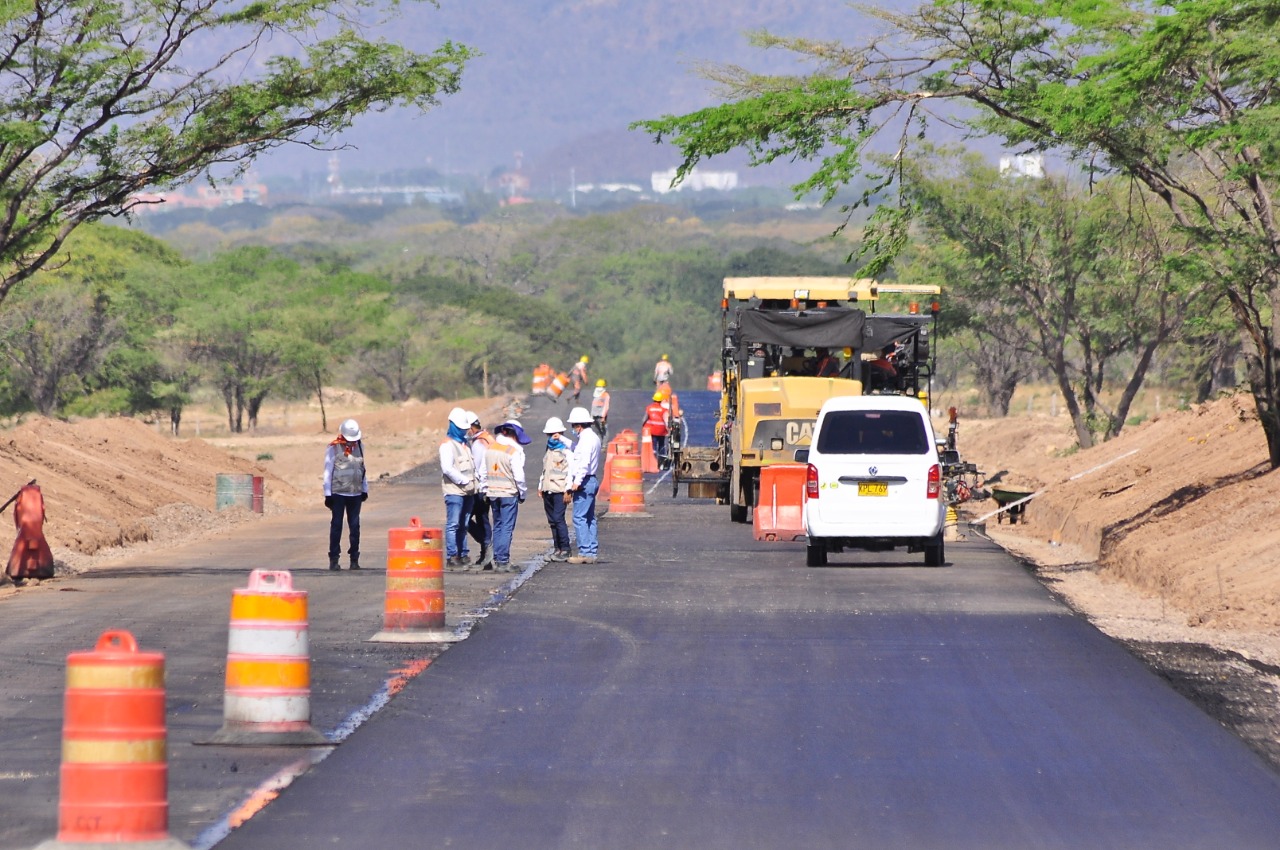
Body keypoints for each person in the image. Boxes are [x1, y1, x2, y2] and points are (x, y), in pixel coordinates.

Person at [324, 418, 368, 571]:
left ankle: (354, 559)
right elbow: (328, 471)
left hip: (355, 494)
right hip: (338, 494)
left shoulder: (360, 447)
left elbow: (362, 469)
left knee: (355, 527)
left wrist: (364, 489)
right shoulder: (333, 448)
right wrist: (327, 494)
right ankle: (334, 559)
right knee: (336, 526)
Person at [486, 419, 530, 572]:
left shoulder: (490, 449)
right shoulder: (513, 452)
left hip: (492, 493)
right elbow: (519, 476)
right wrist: (522, 493)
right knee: (506, 527)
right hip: (508, 493)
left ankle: (498, 559)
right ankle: (503, 561)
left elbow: (483, 472)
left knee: (497, 526)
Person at [440, 407, 480, 570]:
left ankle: (463, 554)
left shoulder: (465, 444)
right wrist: (464, 481)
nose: (465, 431)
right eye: (461, 428)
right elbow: (447, 468)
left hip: (469, 492)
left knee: (464, 524)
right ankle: (452, 556)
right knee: (453, 524)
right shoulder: (447, 445)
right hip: (454, 491)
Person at [565, 406, 601, 564]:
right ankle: (591, 551)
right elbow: (576, 449)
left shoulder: (586, 440)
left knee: (579, 517)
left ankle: (584, 552)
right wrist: (562, 439)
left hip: (584, 481)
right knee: (589, 517)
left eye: (573, 426)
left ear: (578, 425)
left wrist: (576, 483)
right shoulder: (592, 438)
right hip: (591, 480)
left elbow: (583, 463)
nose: (573, 429)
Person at [537, 416, 573, 561]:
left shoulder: (567, 450)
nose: (552, 437)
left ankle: (565, 549)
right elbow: (545, 469)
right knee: (552, 521)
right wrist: (541, 486)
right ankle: (557, 549)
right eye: (550, 434)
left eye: (555, 434)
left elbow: (571, 471)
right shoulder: (548, 450)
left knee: (559, 519)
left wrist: (568, 490)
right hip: (548, 490)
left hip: (560, 490)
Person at [466, 412, 493, 568]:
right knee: (483, 519)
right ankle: (486, 553)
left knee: (466, 520)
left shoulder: (478, 444)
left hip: (480, 487)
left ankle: (487, 547)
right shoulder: (487, 439)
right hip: (488, 486)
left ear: (471, 427)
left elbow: (477, 468)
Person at [643, 391, 670, 470]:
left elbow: (645, 419)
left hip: (652, 430)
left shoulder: (649, 408)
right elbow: (666, 421)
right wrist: (669, 429)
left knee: (653, 446)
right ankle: (661, 464)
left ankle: (654, 462)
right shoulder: (664, 410)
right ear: (661, 401)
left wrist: (643, 426)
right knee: (661, 446)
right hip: (662, 431)